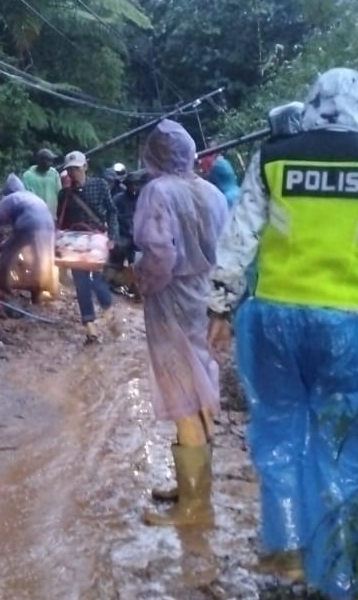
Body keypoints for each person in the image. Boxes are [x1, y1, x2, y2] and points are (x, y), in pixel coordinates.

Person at [207, 68, 358, 597]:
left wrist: (220, 308)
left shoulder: (274, 157)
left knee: (278, 440)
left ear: (311, 103)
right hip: (349, 327)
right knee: (340, 454)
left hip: (273, 321)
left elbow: (238, 236)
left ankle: (287, 568)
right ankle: (334, 582)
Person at [132, 121, 229, 528]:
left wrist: (137, 280)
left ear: (153, 155)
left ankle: (193, 506)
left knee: (184, 396)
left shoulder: (158, 192)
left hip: (172, 300)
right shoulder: (214, 193)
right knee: (200, 388)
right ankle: (193, 488)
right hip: (205, 297)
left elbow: (159, 255)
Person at [55, 150, 119, 343]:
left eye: (76, 168)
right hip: (75, 242)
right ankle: (89, 326)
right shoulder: (64, 194)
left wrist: (113, 236)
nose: (74, 173)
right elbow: (62, 222)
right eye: (70, 170)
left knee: (96, 279)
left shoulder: (99, 186)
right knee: (81, 284)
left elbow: (112, 212)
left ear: (85, 167)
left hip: (96, 240)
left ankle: (109, 313)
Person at [0, 173, 57, 304]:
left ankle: (3, 285)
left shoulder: (11, 198)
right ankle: (38, 292)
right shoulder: (31, 196)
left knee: (8, 254)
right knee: (39, 261)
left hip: (28, 226)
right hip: (49, 227)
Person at [107, 169, 148, 293]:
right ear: (127, 185)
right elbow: (111, 216)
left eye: (137, 184)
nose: (134, 187)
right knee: (115, 261)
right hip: (122, 235)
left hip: (138, 237)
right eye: (132, 184)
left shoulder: (144, 200)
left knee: (138, 264)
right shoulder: (118, 199)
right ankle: (112, 283)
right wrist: (114, 235)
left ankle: (135, 287)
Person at [21, 147, 62, 216]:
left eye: (51, 160)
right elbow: (25, 198)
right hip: (35, 215)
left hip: (52, 215)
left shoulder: (54, 174)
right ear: (40, 161)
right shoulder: (28, 176)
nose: (51, 163)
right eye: (48, 160)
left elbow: (59, 193)